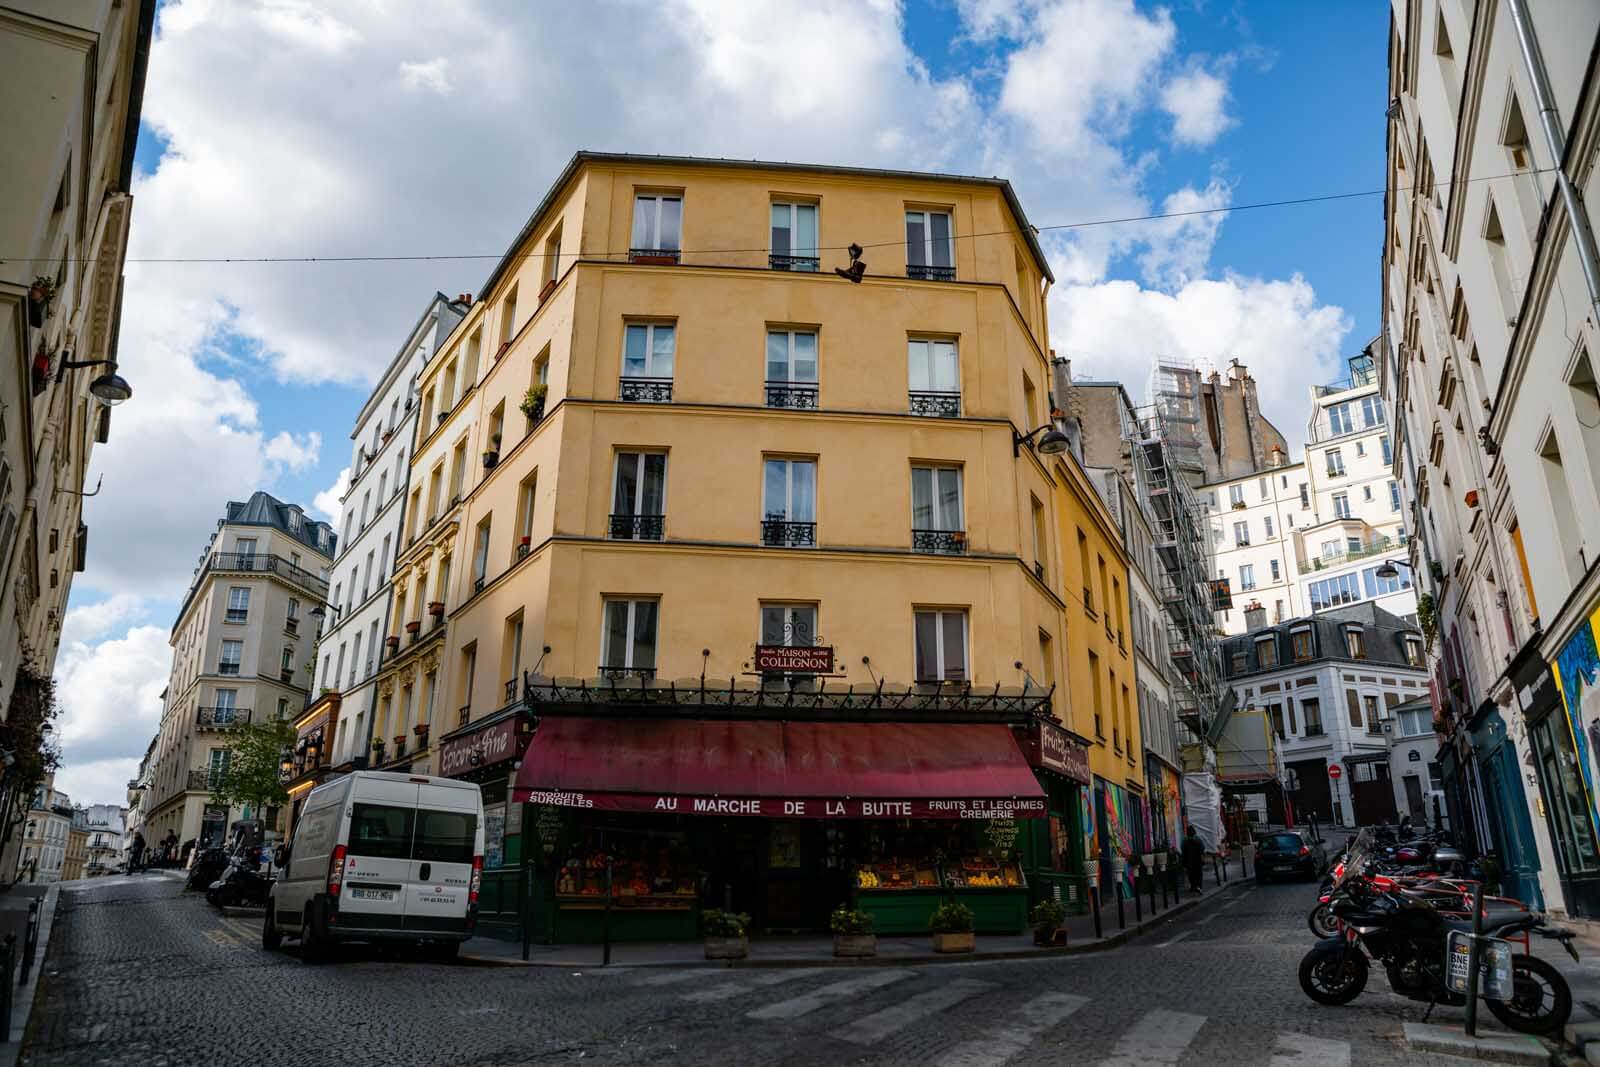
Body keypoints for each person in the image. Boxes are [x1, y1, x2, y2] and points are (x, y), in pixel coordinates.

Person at [1181, 825, 1205, 894]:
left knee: (1191, 874)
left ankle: (1193, 886)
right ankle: (1199, 887)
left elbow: (1182, 849)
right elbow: (1202, 848)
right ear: (1194, 832)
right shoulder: (1198, 839)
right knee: (1199, 874)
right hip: (1198, 860)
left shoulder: (1185, 840)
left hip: (1188, 861)